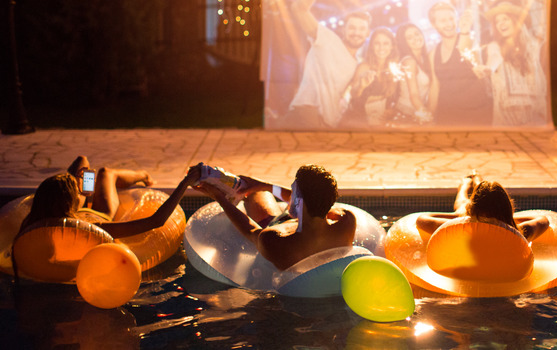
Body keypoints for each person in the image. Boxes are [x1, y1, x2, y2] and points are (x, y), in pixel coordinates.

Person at [194, 164, 356, 271]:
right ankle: (258, 188)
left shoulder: (275, 240)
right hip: (298, 220)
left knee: (253, 194)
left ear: (298, 200)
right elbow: (315, 201)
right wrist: (265, 185)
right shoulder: (346, 222)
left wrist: (219, 197)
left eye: (293, 191)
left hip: (279, 224)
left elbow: (250, 230)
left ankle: (243, 190)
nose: (291, 194)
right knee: (259, 190)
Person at [18, 156, 199, 239]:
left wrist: (80, 190)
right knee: (107, 173)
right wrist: (185, 183)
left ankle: (85, 188)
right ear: (68, 202)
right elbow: (156, 221)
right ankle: (144, 175)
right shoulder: (90, 230)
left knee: (83, 162)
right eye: (76, 192)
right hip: (101, 212)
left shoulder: (31, 224)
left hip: (77, 211)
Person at [283, 0, 371, 129]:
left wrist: (362, 86)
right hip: (307, 114)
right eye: (352, 28)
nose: (357, 33)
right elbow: (298, 9)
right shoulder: (327, 39)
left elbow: (354, 93)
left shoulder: (356, 64)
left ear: (367, 33)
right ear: (344, 30)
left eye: (362, 29)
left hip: (328, 124)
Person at [416, 172, 549, 242]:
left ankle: (466, 184)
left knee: (462, 203)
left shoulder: (459, 228)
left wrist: (456, 217)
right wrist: (511, 219)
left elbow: (422, 220)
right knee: (464, 203)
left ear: (473, 209)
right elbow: (542, 220)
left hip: (467, 214)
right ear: (507, 208)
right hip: (496, 214)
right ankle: (475, 181)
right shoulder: (520, 233)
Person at [483, 1, 549, 127]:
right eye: (497, 21)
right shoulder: (495, 46)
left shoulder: (533, 47)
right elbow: (494, 58)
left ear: (516, 21)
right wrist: (488, 68)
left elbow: (540, 79)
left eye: (505, 19)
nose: (500, 24)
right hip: (506, 119)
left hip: (534, 117)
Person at [427, 2, 492, 126]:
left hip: (475, 116)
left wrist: (465, 31)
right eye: (443, 20)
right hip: (447, 116)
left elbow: (465, 50)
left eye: (452, 18)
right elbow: (435, 87)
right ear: (433, 24)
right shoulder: (433, 54)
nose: (449, 24)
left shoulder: (468, 40)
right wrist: (428, 116)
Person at [341, 27, 401, 127]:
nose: (381, 47)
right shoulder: (364, 67)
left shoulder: (394, 70)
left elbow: (393, 99)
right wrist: (361, 85)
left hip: (380, 124)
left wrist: (391, 111)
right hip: (358, 123)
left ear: (392, 47)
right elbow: (354, 94)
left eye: (386, 43)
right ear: (372, 46)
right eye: (377, 43)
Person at [394, 23, 432, 124]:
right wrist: (427, 116)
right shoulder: (409, 61)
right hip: (405, 115)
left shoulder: (424, 59)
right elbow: (413, 95)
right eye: (409, 37)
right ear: (404, 42)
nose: (415, 38)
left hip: (416, 113)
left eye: (417, 34)